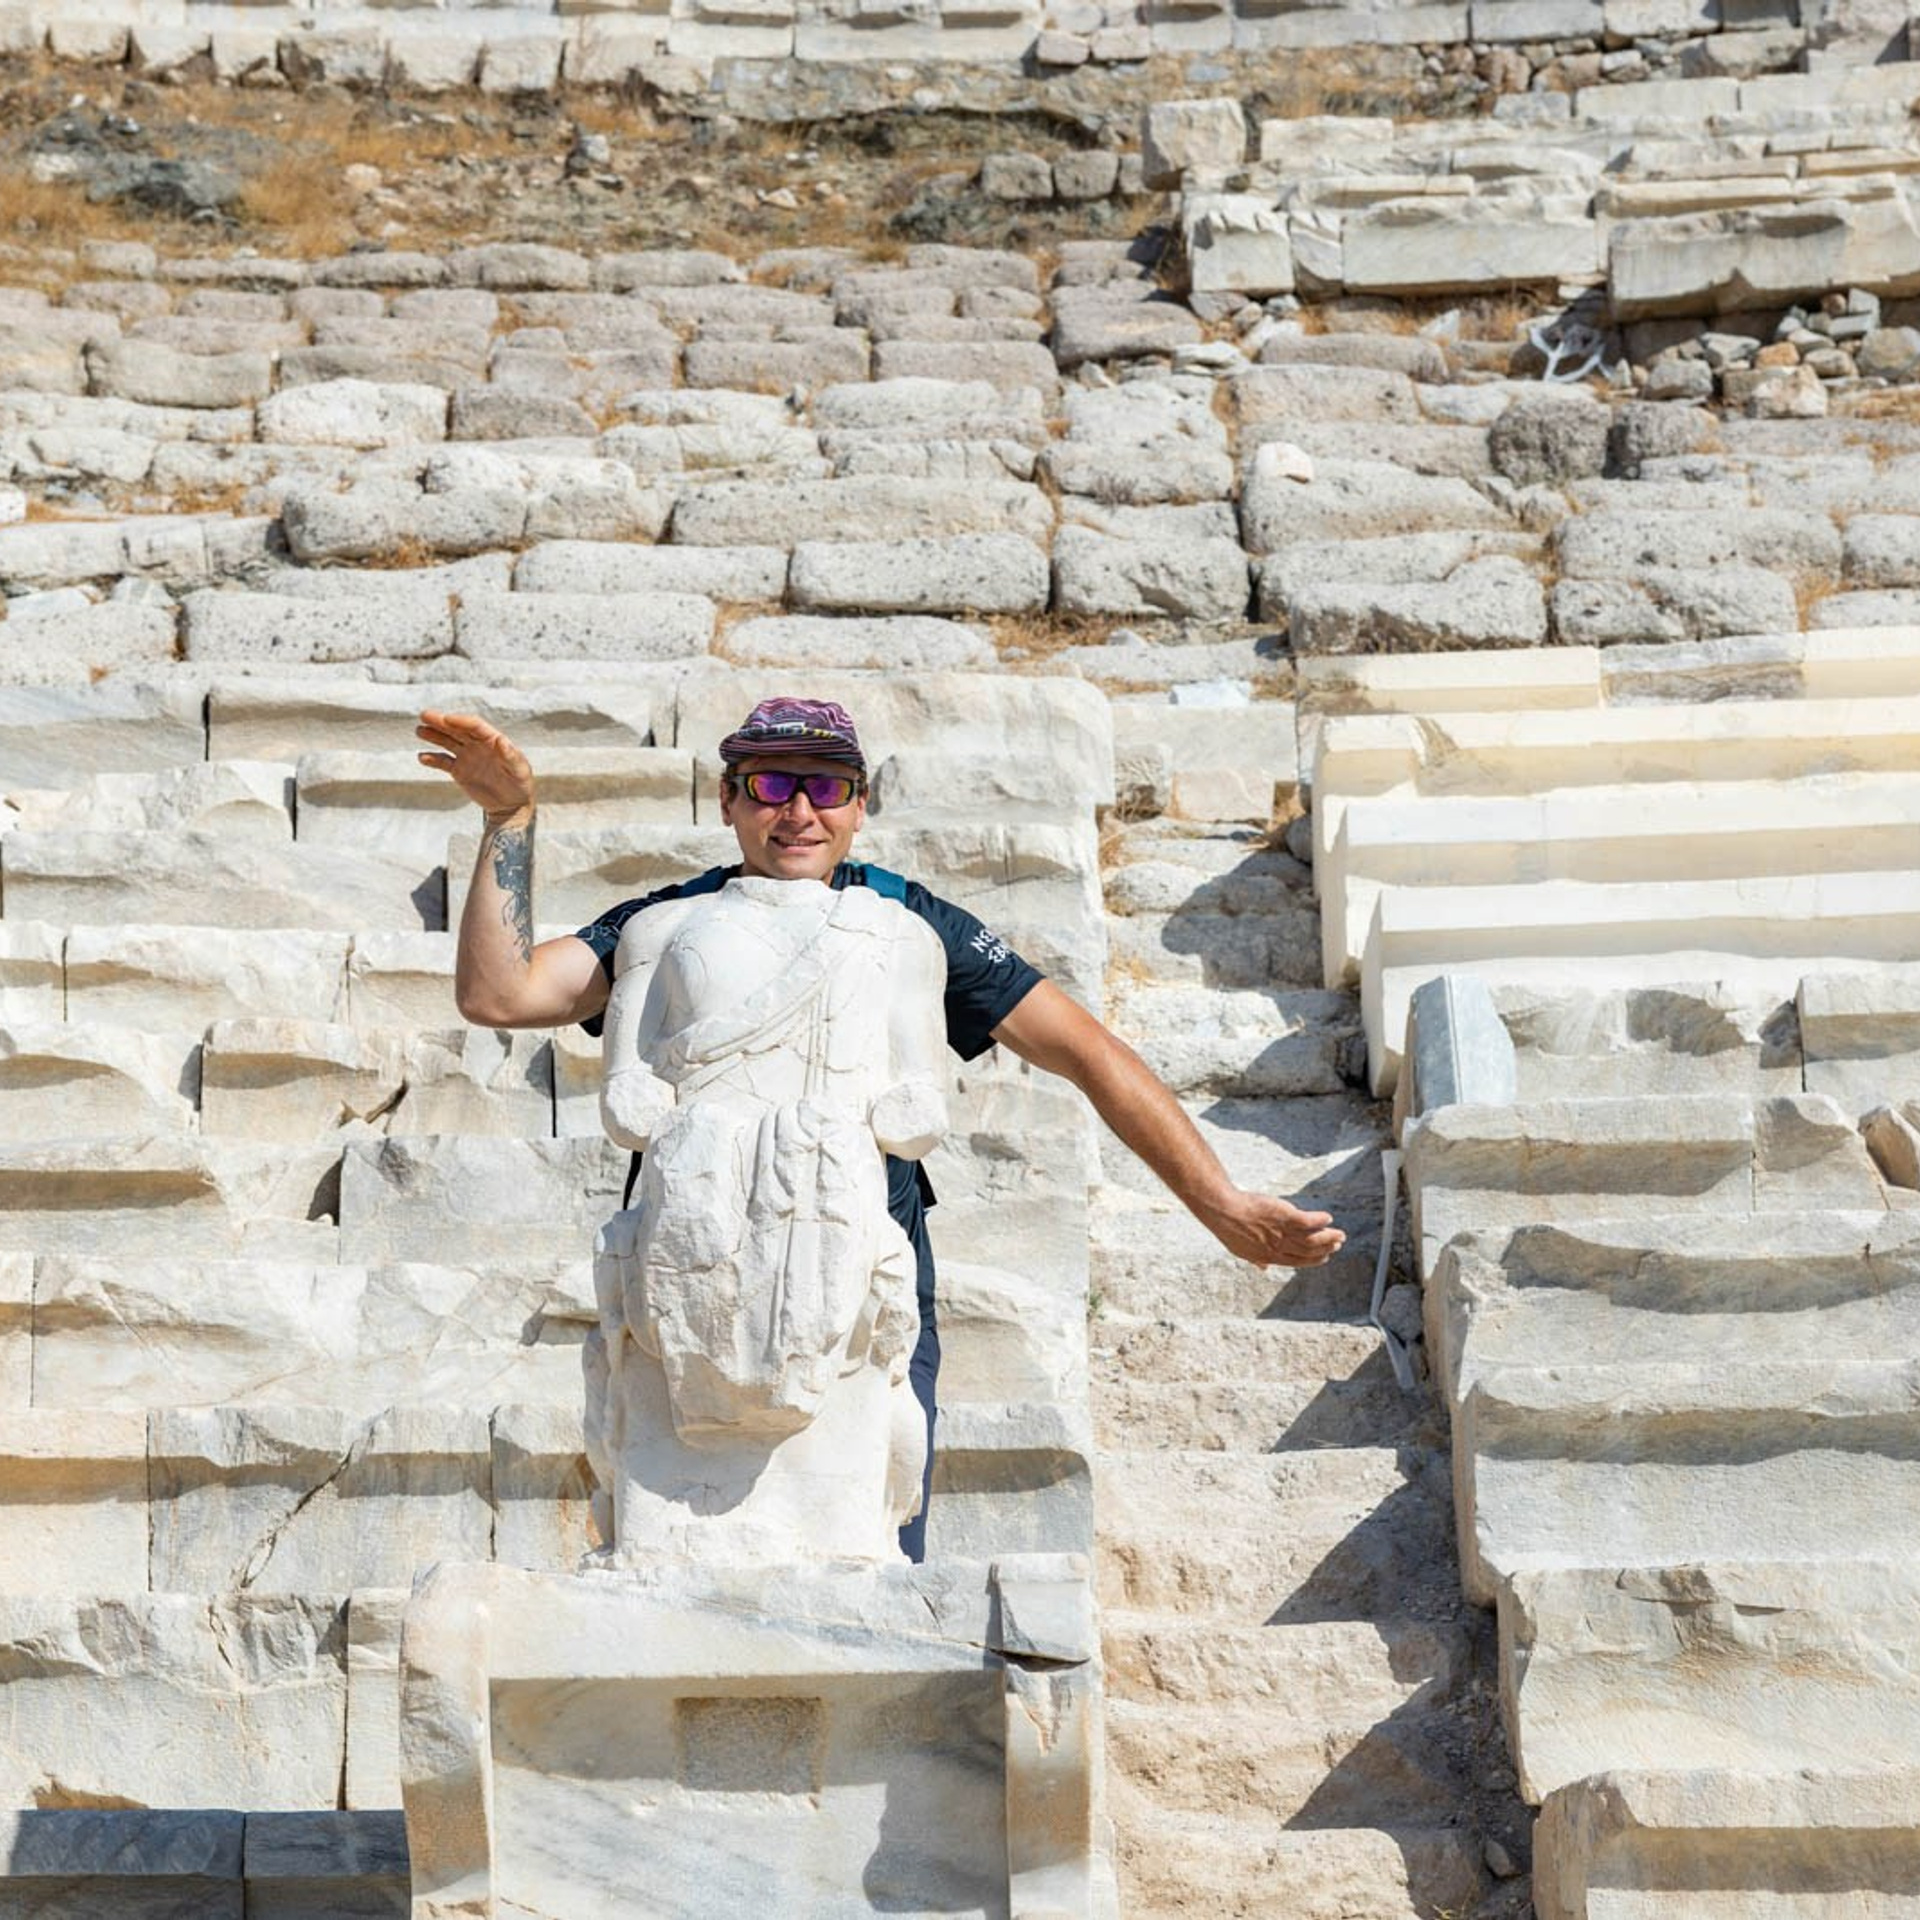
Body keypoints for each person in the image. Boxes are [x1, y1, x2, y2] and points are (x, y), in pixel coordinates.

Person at [417, 695, 1346, 1561]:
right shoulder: (668, 924)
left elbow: (1086, 1051)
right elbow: (501, 993)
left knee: (865, 1545)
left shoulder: (906, 922)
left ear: (860, 806)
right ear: (730, 804)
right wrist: (509, 823)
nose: (798, 813)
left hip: (859, 1280)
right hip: (691, 1270)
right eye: (771, 787)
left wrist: (1219, 1204)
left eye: (825, 788)